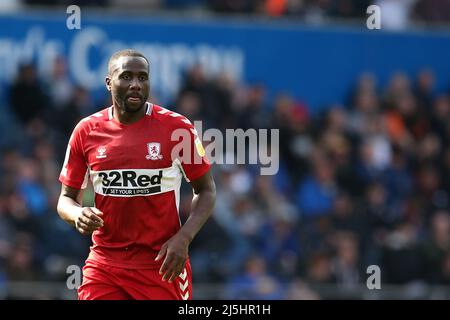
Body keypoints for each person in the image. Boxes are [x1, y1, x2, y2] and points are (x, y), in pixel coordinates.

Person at [57, 49, 216, 300]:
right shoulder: (86, 131)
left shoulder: (177, 129)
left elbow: (206, 190)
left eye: (142, 78)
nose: (135, 85)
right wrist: (78, 214)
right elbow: (65, 199)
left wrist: (184, 237)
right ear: (109, 82)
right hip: (105, 265)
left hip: (162, 265)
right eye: (127, 77)